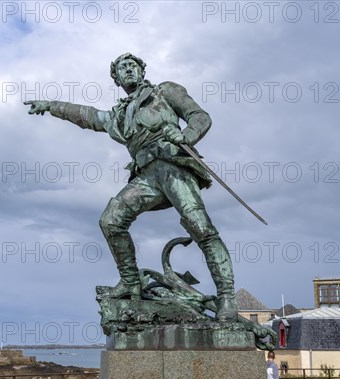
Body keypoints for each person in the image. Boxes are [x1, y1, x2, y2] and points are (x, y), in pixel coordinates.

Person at [24, 52, 237, 321]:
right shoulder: (119, 116)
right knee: (110, 221)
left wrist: (186, 135)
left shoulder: (164, 92)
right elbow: (87, 116)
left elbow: (200, 117)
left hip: (172, 166)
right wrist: (51, 105)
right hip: (146, 176)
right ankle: (130, 281)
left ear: (141, 70)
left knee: (201, 228)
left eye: (132, 65)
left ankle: (228, 297)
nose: (128, 70)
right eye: (122, 68)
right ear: (116, 78)